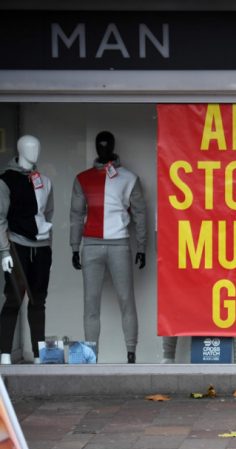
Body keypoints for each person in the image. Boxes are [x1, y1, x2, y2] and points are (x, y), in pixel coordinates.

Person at [70, 131, 147, 364]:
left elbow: (140, 214)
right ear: (95, 147)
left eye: (106, 144)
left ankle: (131, 353)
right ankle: (91, 356)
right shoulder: (82, 178)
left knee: (126, 299)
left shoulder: (128, 178)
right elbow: (75, 214)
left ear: (113, 145)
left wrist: (142, 246)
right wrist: (75, 246)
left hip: (119, 244)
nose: (102, 148)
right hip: (91, 245)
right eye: (99, 145)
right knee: (90, 302)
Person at [0, 135, 53, 365]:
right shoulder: (5, 181)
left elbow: (48, 213)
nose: (35, 151)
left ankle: (39, 353)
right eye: (30, 147)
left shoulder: (45, 181)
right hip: (16, 245)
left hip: (41, 248)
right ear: (20, 149)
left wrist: (47, 242)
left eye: (38, 147)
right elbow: (0, 218)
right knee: (13, 299)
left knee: (38, 300)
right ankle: (4, 352)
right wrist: (4, 251)